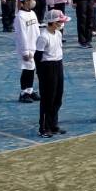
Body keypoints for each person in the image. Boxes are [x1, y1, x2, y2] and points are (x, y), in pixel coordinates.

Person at [34, 9, 68, 137]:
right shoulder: (43, 37)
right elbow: (37, 56)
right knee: (48, 98)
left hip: (58, 65)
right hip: (47, 68)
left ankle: (53, 124)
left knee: (57, 97)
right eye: (59, 22)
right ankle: (44, 128)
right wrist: (40, 74)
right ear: (52, 22)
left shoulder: (58, 34)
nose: (61, 24)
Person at [14, 0, 41, 103]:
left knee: (32, 69)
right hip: (26, 48)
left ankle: (30, 90)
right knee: (27, 69)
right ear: (24, 1)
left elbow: (36, 30)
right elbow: (22, 34)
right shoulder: (20, 16)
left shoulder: (33, 13)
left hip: (35, 46)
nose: (33, 1)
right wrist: (26, 51)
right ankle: (23, 92)